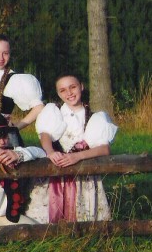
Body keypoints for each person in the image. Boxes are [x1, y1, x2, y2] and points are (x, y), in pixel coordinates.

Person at [26, 73, 118, 223]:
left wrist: (77, 156)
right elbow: (45, 135)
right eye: (63, 90)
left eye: (72, 87)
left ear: (81, 87)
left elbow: (104, 149)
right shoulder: (53, 112)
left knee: (85, 217)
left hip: (83, 175)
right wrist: (50, 152)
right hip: (55, 172)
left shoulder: (95, 117)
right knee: (46, 219)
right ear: (58, 93)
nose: (69, 93)